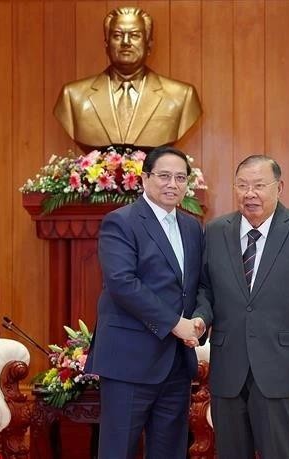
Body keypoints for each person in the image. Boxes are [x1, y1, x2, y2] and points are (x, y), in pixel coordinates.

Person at [190, 155, 289, 459]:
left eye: (258, 185)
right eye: (242, 185)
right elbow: (205, 287)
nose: (249, 193)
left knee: (280, 451)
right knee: (230, 451)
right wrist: (201, 318)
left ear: (279, 187)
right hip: (228, 365)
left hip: (282, 366)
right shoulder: (216, 231)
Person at [84, 146, 204, 458]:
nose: (172, 184)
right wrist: (176, 324)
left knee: (170, 451)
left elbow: (198, 285)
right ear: (145, 178)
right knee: (118, 451)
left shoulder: (192, 227)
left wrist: (201, 319)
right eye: (164, 176)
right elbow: (123, 283)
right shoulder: (121, 222)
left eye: (180, 177)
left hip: (176, 363)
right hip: (129, 360)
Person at [53, 7, 202, 150]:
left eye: (135, 35)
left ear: (148, 44)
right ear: (106, 44)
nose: (125, 42)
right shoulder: (73, 96)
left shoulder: (182, 96)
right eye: (117, 36)